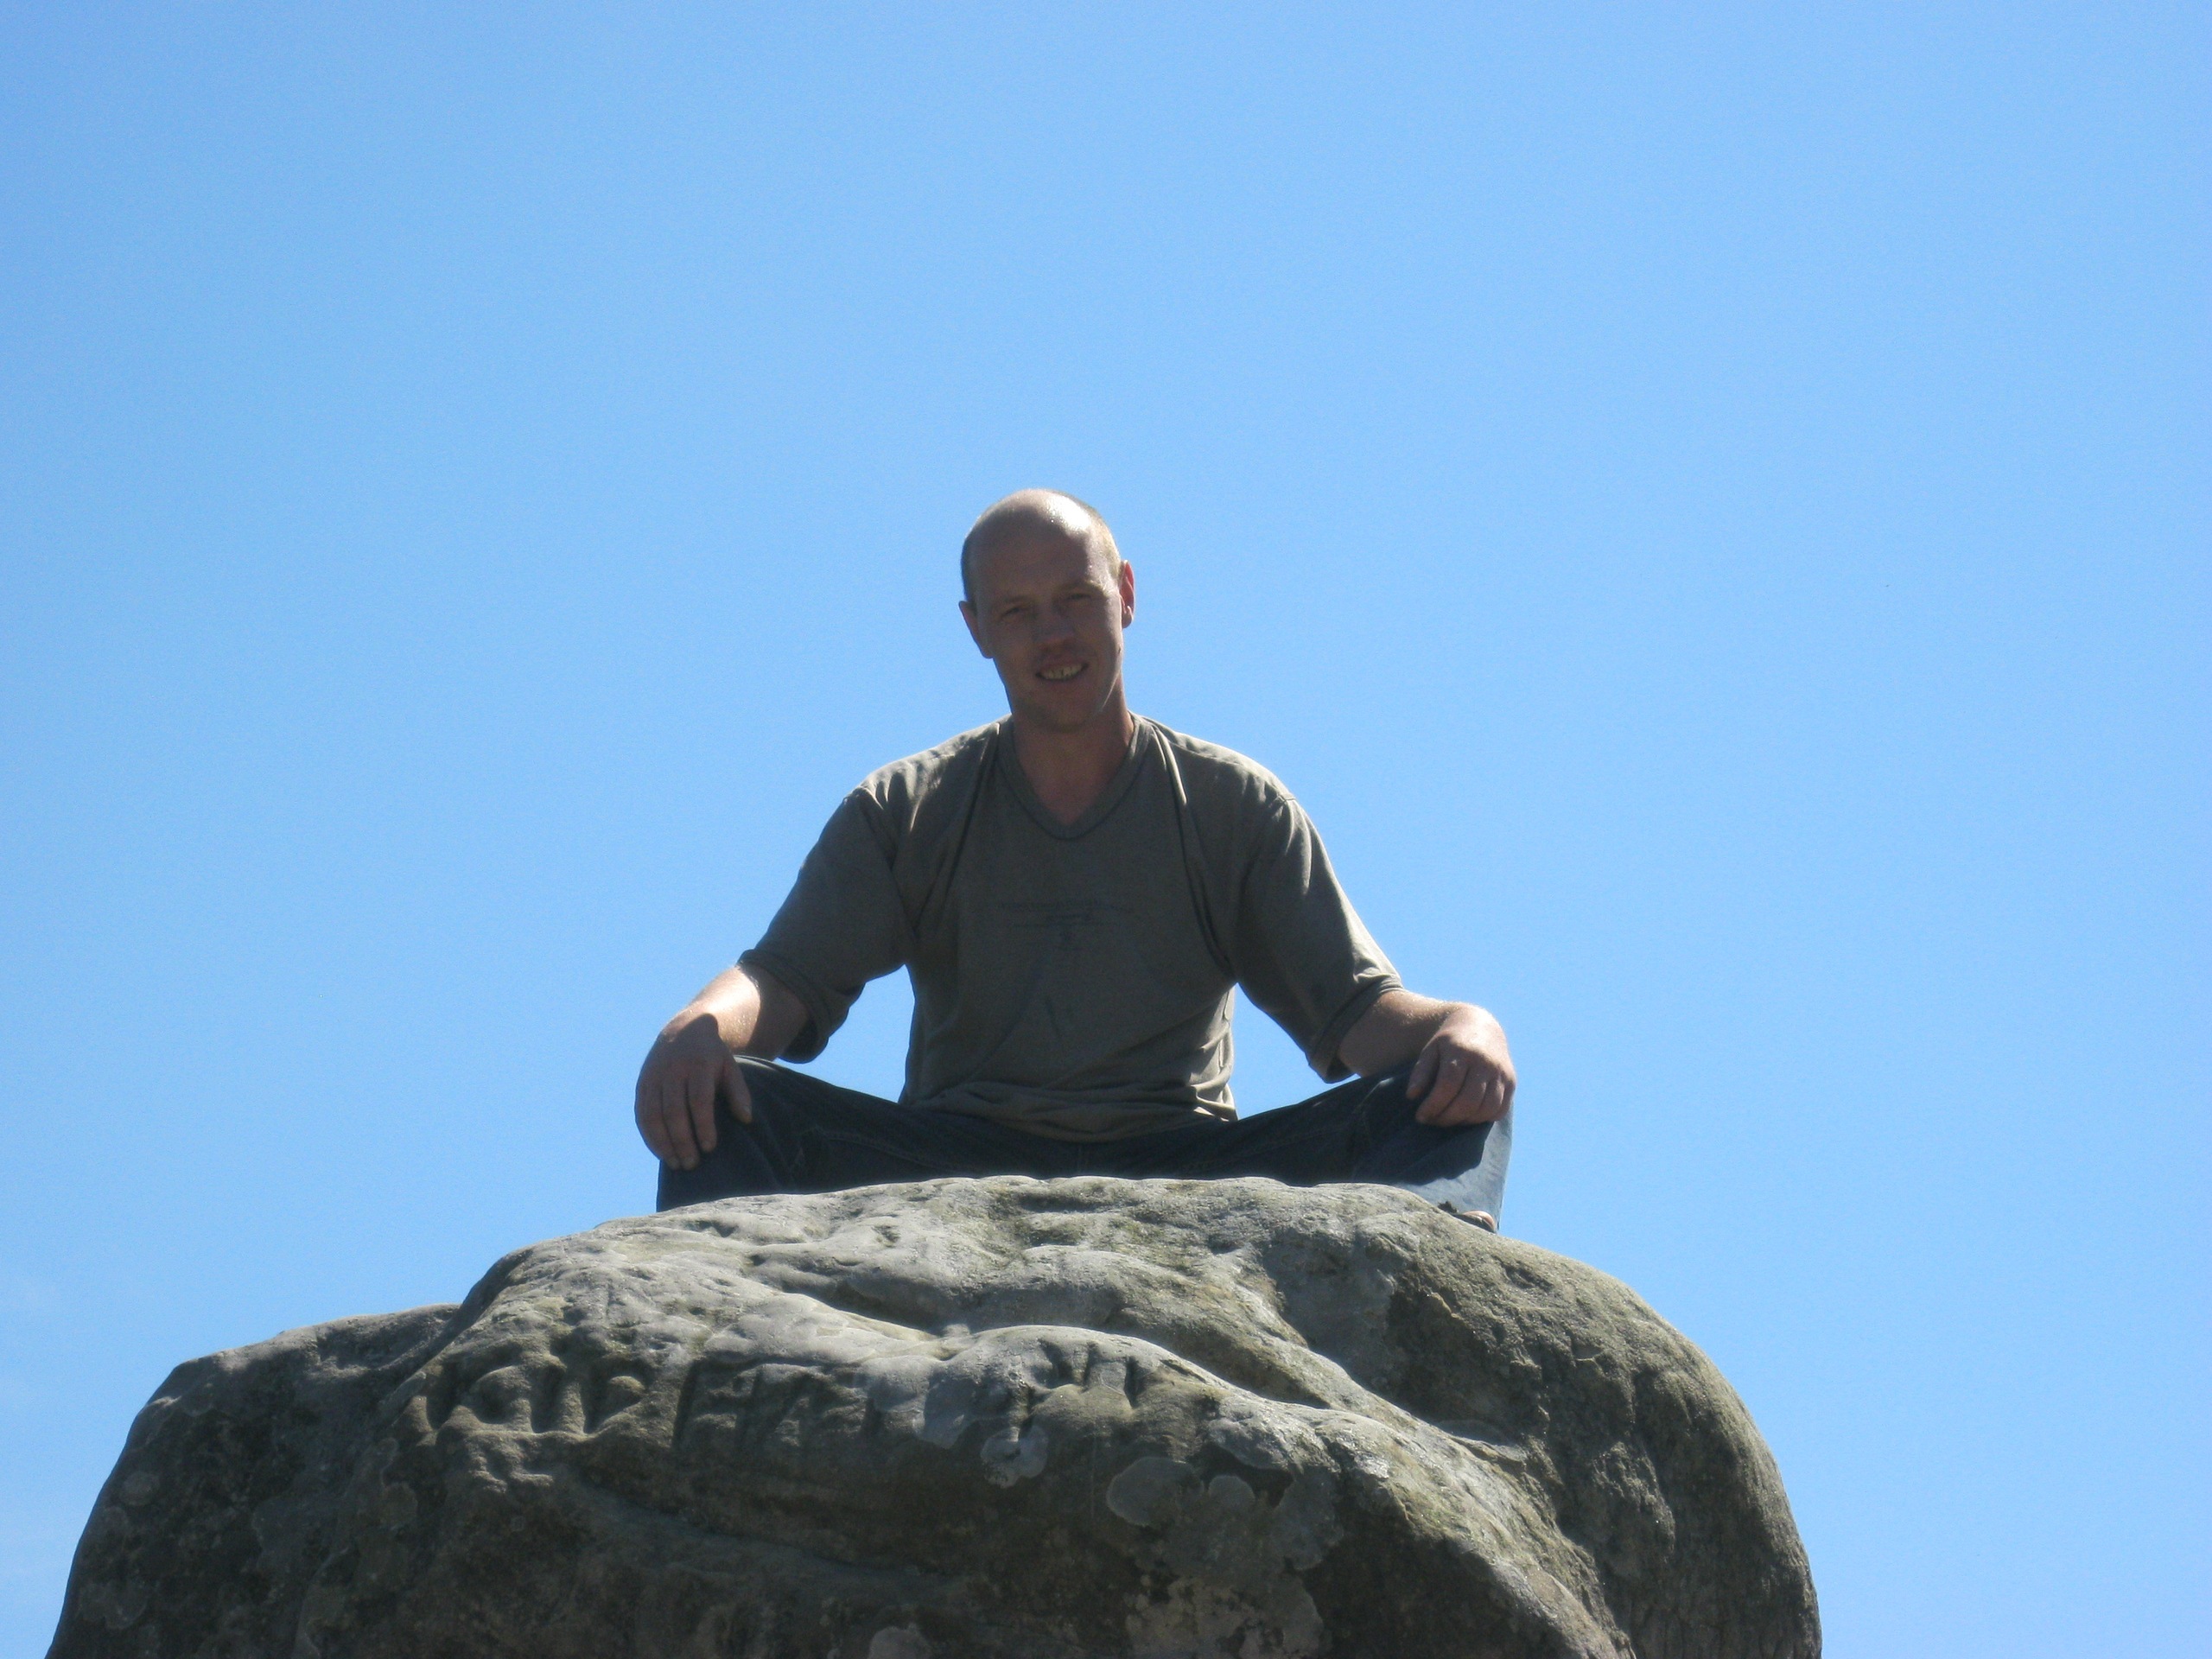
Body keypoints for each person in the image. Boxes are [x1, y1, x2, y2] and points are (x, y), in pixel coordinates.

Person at [638, 490, 1517, 1228]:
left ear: (1125, 594)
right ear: (976, 629)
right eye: (1016, 612)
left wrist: (1465, 1027)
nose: (1052, 634)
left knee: (1447, 1092)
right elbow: (781, 982)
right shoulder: (907, 809)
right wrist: (698, 1027)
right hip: (950, 1166)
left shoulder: (1231, 806)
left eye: (1075, 598)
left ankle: (1428, 1267)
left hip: (1186, 1171)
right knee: (720, 1093)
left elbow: (1361, 1016)